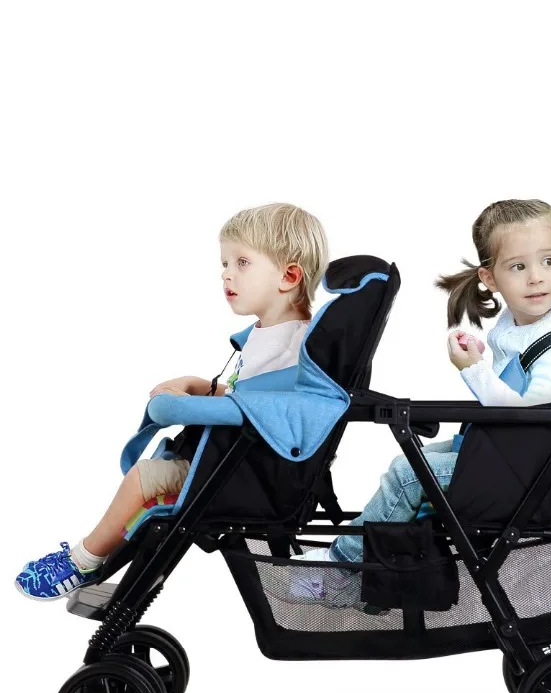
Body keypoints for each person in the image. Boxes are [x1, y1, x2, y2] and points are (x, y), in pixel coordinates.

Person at [289, 198, 551, 606]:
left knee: (409, 475)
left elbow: (521, 411)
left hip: (524, 472)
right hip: (512, 456)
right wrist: (482, 361)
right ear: (489, 278)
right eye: (517, 267)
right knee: (411, 465)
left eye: (548, 261)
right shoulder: (530, 323)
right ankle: (387, 576)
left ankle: (339, 570)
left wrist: (473, 370)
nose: (535, 278)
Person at [16, 203, 329, 601]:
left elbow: (272, 410)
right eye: (225, 263)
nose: (226, 273)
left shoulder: (295, 346)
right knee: (156, 473)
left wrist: (176, 408)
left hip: (244, 473)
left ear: (288, 276)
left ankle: (83, 560)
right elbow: (253, 400)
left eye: (242, 262)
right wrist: (197, 386)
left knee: (145, 478)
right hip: (234, 464)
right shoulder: (271, 335)